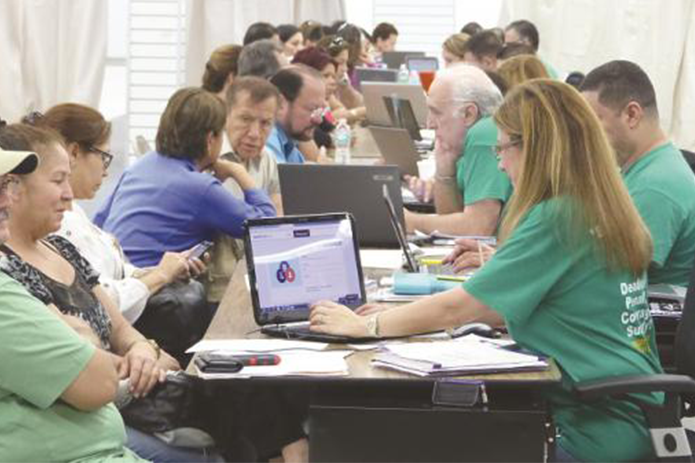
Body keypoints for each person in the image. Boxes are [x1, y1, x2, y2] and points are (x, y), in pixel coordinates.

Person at [310, 79, 663, 462]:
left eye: (503, 147)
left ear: (536, 147)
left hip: (589, 428)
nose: (499, 161)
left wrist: (366, 327)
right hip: (622, 415)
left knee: (405, 437)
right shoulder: (595, 206)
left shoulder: (558, 216)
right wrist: (397, 315)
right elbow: (502, 308)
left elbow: (462, 307)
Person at [0, 141, 146, 462]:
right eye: (57, 179)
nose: (8, 198)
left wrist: (139, 349)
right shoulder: (6, 278)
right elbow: (99, 382)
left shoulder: (57, 249)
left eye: (8, 185)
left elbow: (116, 333)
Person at [36, 104, 197, 324]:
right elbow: (101, 300)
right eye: (104, 156)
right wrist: (160, 275)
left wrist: (163, 270)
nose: (106, 169)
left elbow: (113, 273)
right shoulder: (59, 222)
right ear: (74, 153)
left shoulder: (75, 211)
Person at [95, 87, 276, 267]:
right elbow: (266, 229)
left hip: (112, 276)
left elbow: (99, 221)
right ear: (210, 139)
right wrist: (239, 172)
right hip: (152, 289)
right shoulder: (200, 188)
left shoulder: (140, 165)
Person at [580, 60, 695, 287]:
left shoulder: (656, 185)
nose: (586, 136)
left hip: (641, 317)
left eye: (593, 123)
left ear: (632, 115)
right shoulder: (648, 168)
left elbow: (605, 277)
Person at [404, 65, 511, 236]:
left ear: (469, 113)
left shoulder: (485, 133)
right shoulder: (466, 142)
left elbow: (478, 227)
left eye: (436, 112)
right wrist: (445, 171)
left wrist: (412, 222)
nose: (429, 123)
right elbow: (450, 222)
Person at [206, 76, 283, 303]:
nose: (255, 133)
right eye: (245, 119)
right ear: (226, 114)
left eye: (265, 123)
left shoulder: (267, 159)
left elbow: (276, 223)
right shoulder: (209, 159)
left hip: (259, 280)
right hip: (218, 288)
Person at [266, 65, 326, 164]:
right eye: (312, 109)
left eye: (320, 110)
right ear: (280, 104)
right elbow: (280, 178)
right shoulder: (267, 135)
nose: (319, 120)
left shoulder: (288, 142)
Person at [317, 34, 364, 111]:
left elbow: (359, 103)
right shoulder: (318, 87)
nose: (345, 69)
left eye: (346, 63)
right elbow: (330, 117)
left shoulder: (340, 83)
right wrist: (358, 112)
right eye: (341, 62)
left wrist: (348, 89)